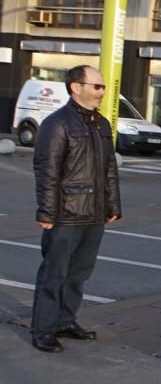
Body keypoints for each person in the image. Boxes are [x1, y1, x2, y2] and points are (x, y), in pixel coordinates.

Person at [31, 65, 121, 353]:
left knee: (79, 273)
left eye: (103, 86)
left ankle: (65, 321)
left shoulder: (101, 124)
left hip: (94, 213)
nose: (102, 92)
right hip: (66, 214)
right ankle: (43, 330)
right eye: (96, 86)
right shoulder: (57, 124)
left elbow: (109, 169)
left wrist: (112, 204)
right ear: (76, 87)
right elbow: (47, 170)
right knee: (54, 274)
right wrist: (46, 213)